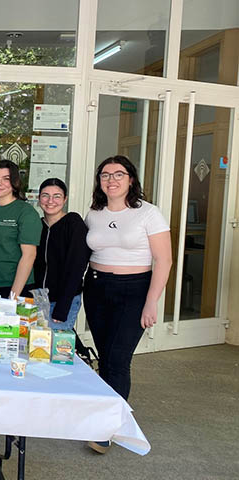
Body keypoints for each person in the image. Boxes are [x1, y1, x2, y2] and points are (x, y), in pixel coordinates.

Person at [83, 156, 171, 454]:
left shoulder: (148, 213)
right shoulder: (94, 212)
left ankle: (108, 429)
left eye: (118, 174)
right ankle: (108, 413)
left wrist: (151, 303)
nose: (111, 180)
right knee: (106, 357)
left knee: (118, 360)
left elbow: (164, 260)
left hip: (134, 291)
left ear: (131, 179)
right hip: (96, 289)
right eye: (105, 175)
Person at [0, 160, 42, 320]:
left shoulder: (25, 212)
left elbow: (29, 256)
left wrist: (13, 297)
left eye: (6, 178)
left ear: (14, 183)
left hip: (17, 288)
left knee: (14, 341)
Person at [33, 178, 90, 330]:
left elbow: (77, 267)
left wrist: (62, 308)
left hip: (62, 300)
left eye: (57, 196)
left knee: (57, 349)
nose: (50, 201)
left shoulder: (73, 223)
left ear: (65, 199)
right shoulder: (36, 225)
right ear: (39, 199)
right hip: (37, 300)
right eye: (45, 195)